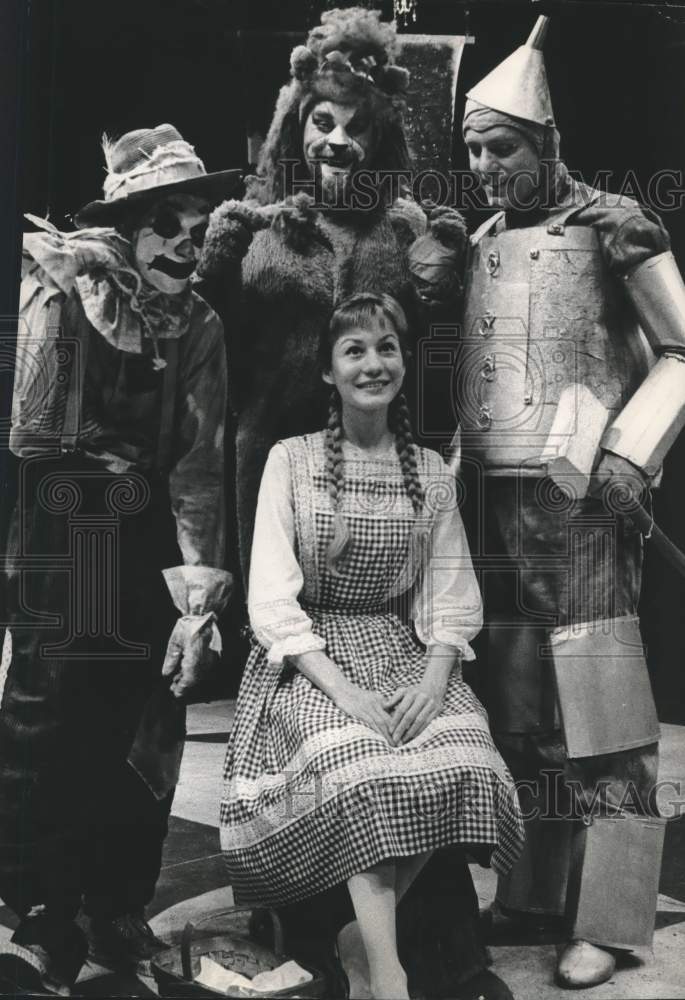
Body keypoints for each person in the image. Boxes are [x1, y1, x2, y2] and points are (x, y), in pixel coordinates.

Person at [455, 15, 685, 989]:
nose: (481, 164)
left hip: (587, 506)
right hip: (500, 509)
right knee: (521, 712)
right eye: (469, 148)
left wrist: (634, 453)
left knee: (604, 714)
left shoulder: (614, 223)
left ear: (545, 141)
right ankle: (536, 890)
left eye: (498, 145)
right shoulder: (477, 240)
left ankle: (617, 912)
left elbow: (681, 348)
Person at [220, 292, 524, 1000]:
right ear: (328, 371)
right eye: (354, 350)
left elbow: (449, 593)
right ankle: (387, 974)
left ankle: (362, 936)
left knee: (468, 756)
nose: (372, 363)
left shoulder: (428, 469)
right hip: (309, 659)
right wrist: (343, 690)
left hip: (400, 646)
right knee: (361, 768)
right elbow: (269, 594)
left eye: (386, 348)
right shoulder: (289, 461)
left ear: (403, 361)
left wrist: (431, 678)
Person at [0, 124, 238, 994]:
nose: (187, 238)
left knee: (144, 727)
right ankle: (36, 916)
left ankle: (116, 908)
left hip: (146, 540)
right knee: (47, 717)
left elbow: (199, 460)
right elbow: (32, 437)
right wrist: (61, 301)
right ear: (128, 223)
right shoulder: (67, 293)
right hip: (69, 528)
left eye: (197, 221)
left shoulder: (201, 324)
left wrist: (196, 594)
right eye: (168, 219)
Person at [197, 6, 467, 583]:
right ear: (295, 130)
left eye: (356, 127)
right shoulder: (256, 223)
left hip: (377, 456)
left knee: (370, 592)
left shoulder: (404, 226)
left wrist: (445, 271)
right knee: (272, 601)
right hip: (267, 455)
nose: (337, 142)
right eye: (323, 123)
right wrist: (215, 275)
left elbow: (430, 346)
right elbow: (212, 355)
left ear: (380, 138)